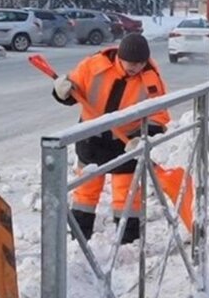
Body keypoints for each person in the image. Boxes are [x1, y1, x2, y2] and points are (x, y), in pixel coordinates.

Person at [52, 33, 171, 244]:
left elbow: (159, 115)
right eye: (130, 63)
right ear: (119, 57)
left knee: (127, 196)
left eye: (140, 63)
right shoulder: (94, 65)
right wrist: (61, 92)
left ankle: (129, 243)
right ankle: (79, 240)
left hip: (126, 143)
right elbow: (72, 91)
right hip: (91, 138)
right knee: (85, 194)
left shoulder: (151, 79)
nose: (135, 67)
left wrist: (143, 137)